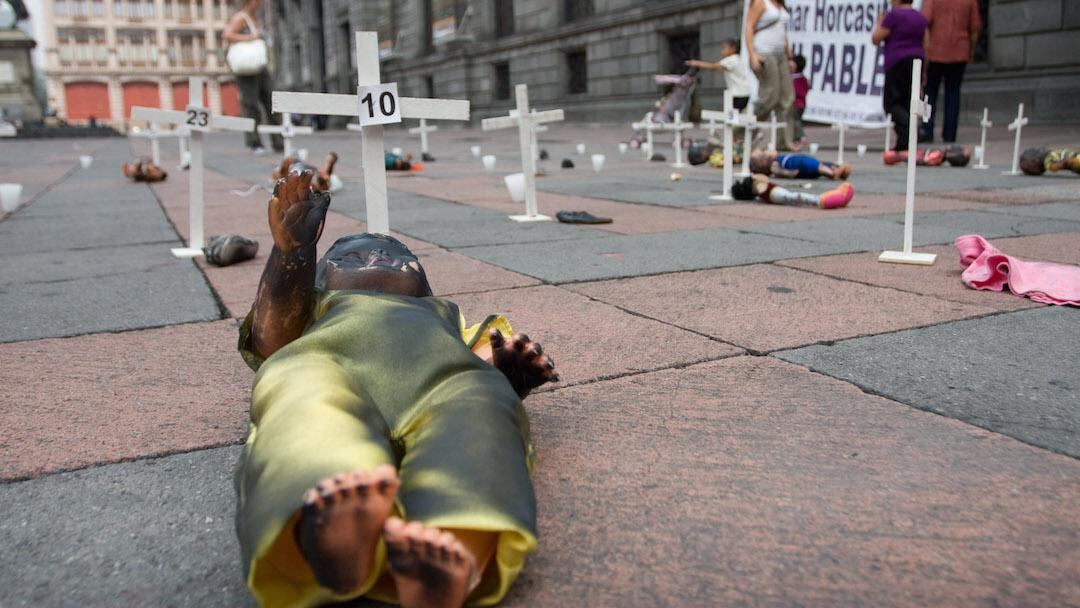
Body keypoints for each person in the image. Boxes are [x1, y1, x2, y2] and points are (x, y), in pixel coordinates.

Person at [234, 170, 558, 608]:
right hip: (325, 363)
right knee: (305, 401)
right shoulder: (310, 307)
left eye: (396, 255)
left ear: (426, 286)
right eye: (348, 256)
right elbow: (273, 340)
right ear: (320, 279)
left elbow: (486, 354)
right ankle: (327, 529)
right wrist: (291, 256)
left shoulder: (447, 316)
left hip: (441, 378)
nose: (375, 257)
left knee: (477, 406)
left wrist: (506, 371)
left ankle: (455, 541)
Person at [223, 0, 282, 157]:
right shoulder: (240, 17)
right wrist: (251, 37)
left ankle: (279, 141)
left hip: (259, 65)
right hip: (246, 67)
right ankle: (255, 143)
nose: (261, 2)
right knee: (251, 105)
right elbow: (227, 35)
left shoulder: (256, 18)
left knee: (272, 102)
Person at [919, 0, 981, 143]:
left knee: (930, 92)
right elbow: (975, 28)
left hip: (935, 51)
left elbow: (925, 22)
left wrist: (926, 48)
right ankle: (949, 134)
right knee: (953, 93)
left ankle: (926, 129)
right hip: (959, 50)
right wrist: (971, 51)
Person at [871, 0, 927, 152]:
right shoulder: (920, 17)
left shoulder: (893, 16)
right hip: (917, 60)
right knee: (910, 99)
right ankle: (905, 141)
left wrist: (879, 22)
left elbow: (876, 38)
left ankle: (909, 131)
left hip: (897, 60)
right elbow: (926, 42)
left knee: (892, 103)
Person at [745, 0, 797, 151]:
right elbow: (749, 27)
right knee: (769, 97)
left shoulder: (780, 5)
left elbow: (782, 32)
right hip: (764, 53)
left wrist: (789, 57)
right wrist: (752, 54)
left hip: (780, 55)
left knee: (787, 98)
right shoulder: (761, 3)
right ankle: (740, 130)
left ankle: (784, 141)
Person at [687, 39, 752, 111]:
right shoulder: (737, 59)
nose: (722, 50)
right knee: (735, 115)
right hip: (742, 93)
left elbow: (713, 66)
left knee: (732, 116)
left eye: (724, 48)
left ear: (733, 49)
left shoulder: (732, 59)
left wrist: (696, 63)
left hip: (739, 94)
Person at [732, 174, 854, 209]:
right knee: (795, 196)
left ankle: (821, 199)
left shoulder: (760, 188)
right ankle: (818, 200)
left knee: (794, 197)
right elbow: (762, 185)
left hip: (776, 194)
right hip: (776, 194)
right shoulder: (759, 186)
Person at [749, 149, 852, 179]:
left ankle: (838, 169)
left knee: (818, 164)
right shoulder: (774, 165)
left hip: (798, 162)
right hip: (797, 164)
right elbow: (782, 172)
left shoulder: (776, 161)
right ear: (763, 162)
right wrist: (790, 173)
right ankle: (832, 173)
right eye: (764, 152)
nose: (767, 151)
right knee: (815, 166)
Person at [271, 152, 339, 192]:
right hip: (308, 173)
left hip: (308, 175)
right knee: (288, 161)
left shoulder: (325, 175)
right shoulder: (325, 171)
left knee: (288, 161)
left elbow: (324, 178)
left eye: (329, 159)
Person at [882, 144, 970, 166]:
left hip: (918, 156)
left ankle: (891, 156)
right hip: (918, 156)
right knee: (898, 156)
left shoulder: (938, 155)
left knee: (897, 156)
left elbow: (925, 160)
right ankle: (892, 156)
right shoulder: (939, 155)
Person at [790, 55, 809, 145]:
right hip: (802, 104)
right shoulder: (802, 78)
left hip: (796, 104)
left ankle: (801, 136)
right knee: (796, 120)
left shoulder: (795, 79)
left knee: (796, 121)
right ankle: (795, 137)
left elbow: (795, 92)